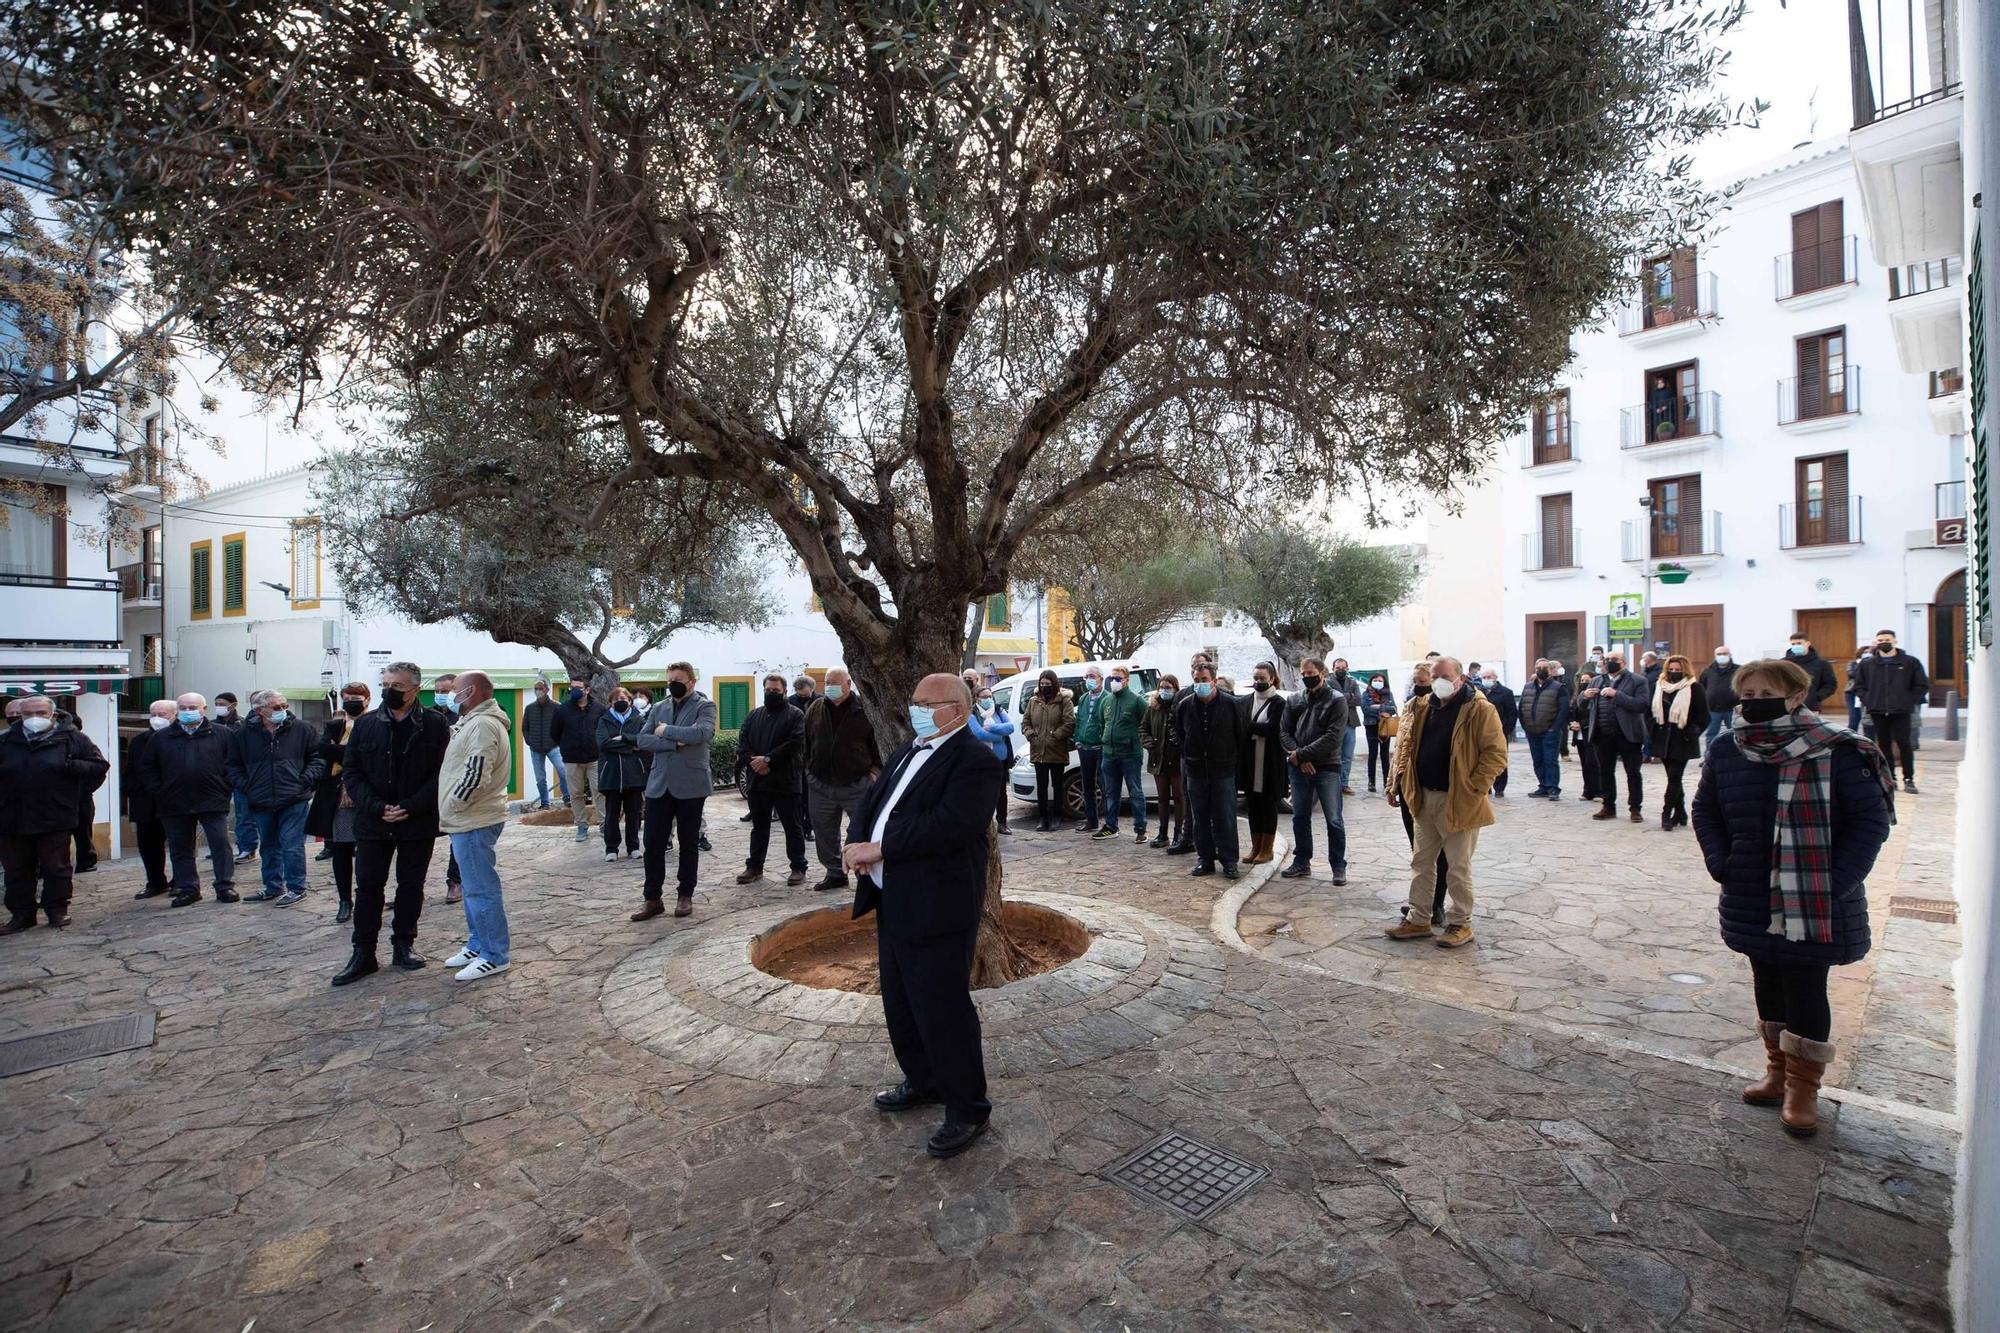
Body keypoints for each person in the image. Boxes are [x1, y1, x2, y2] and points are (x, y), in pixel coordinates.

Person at [1692, 657, 1894, 1136]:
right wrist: (1722, 862)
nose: (1756, 703)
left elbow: (1870, 823)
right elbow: (1706, 810)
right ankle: (1778, 1071)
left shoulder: (1839, 749)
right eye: (1750, 695)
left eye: (1768, 695)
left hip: (1813, 895)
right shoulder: (1728, 748)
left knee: (1805, 983)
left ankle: (1804, 1086)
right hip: (1750, 888)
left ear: (1797, 695)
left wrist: (1835, 882)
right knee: (1766, 976)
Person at [843, 672, 1008, 1159]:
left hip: (938, 903)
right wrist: (858, 838)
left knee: (943, 1008)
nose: (914, 708)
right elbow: (872, 801)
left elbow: (951, 826)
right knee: (901, 1000)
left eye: (924, 702)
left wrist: (881, 846)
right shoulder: (908, 748)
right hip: (893, 899)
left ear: (956, 709)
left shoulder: (974, 759)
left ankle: (968, 1108)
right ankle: (924, 1080)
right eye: (912, 700)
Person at [334, 661, 450, 986]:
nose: (389, 691)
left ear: (414, 689)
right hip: (373, 821)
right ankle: (363, 953)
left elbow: (441, 773)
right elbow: (352, 770)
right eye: (385, 685)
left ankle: (404, 945)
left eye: (396, 687)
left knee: (411, 886)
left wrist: (410, 806)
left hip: (417, 820)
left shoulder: (435, 724)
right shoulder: (368, 724)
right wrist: (376, 806)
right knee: (368, 888)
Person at [1383, 657, 1508, 948]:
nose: (1437, 680)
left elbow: (1495, 754)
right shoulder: (1421, 706)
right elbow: (1404, 748)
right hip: (1424, 797)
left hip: (1459, 801)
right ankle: (1419, 918)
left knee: (1457, 867)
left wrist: (1473, 788)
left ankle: (1459, 923)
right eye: (1434, 675)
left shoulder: (1479, 709)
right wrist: (1396, 782)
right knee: (1421, 862)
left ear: (1460, 678)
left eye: (1444, 675)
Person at [0, 695, 108, 933]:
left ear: (53, 714)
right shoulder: (7, 741)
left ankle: (57, 909)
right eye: (28, 714)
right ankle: (21, 914)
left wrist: (74, 784)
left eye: (40, 713)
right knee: (17, 868)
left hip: (54, 815)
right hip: (12, 817)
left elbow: (99, 767)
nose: (33, 718)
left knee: (56, 866)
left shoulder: (72, 739)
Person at [438, 671, 514, 982]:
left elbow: (475, 774)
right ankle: (477, 944)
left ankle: (494, 954)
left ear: (470, 691)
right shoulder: (473, 722)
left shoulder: (482, 724)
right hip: (467, 819)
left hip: (473, 818)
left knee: (481, 890)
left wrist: (454, 804)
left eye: (453, 690)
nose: (448, 696)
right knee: (472, 889)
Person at [632, 662, 716, 919]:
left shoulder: (705, 706)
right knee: (652, 843)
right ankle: (652, 898)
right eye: (669, 680)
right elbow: (642, 739)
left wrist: (666, 731)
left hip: (691, 784)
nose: (672, 684)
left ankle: (685, 895)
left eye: (677, 679)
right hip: (660, 785)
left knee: (689, 843)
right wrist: (676, 742)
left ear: (691, 681)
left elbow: (702, 733)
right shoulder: (659, 707)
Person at [227, 688, 325, 907]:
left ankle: (296, 888)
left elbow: (317, 759)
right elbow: (233, 765)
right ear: (260, 710)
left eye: (284, 706)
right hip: (260, 799)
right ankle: (273, 886)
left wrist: (304, 781)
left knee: (292, 845)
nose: (282, 710)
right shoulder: (243, 734)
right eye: (276, 707)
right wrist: (248, 787)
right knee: (268, 845)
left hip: (294, 798)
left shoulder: (302, 729)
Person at [141, 693, 241, 909]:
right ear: (177, 711)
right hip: (173, 803)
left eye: (193, 707)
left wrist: (225, 788)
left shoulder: (222, 734)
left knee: (220, 844)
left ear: (204, 709)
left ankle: (224, 886)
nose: (188, 711)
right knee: (180, 848)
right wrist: (160, 791)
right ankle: (188, 889)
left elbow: (233, 765)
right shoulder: (161, 738)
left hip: (212, 800)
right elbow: (148, 769)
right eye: (184, 708)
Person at [802, 666, 880, 891]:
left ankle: (865, 874)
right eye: (827, 683)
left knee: (863, 830)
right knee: (824, 832)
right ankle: (835, 873)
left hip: (857, 785)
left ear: (848, 684)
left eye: (835, 683)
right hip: (820, 784)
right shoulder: (815, 707)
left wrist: (874, 773)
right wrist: (808, 769)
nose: (831, 688)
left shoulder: (864, 709)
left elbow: (876, 744)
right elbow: (806, 741)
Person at [1278, 657, 1349, 884]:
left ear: (1323, 672)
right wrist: (1298, 757)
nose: (1307, 677)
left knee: (1334, 819)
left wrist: (1302, 754)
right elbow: (1284, 732)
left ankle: (1338, 866)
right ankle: (1301, 862)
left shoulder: (1337, 700)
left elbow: (1333, 737)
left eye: (1311, 673)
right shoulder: (1295, 699)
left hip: (1327, 767)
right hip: (1299, 767)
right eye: (1304, 674)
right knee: (1300, 816)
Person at [306, 682, 369, 925]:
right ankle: (345, 900)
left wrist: (341, 750)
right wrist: (350, 751)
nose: (351, 700)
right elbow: (322, 749)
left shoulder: (376, 722)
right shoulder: (335, 724)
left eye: (356, 696)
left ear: (366, 698)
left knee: (367, 851)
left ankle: (365, 896)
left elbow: (370, 753)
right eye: (347, 696)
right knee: (340, 849)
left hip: (365, 793)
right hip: (336, 794)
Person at [1173, 664, 1244, 879]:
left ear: (1213, 680)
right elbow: (1178, 732)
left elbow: (1240, 736)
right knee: (1199, 818)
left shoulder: (1231, 704)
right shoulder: (1185, 705)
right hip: (1195, 770)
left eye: (1204, 679)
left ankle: (1229, 861)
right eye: (1197, 679)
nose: (1200, 683)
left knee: (1225, 817)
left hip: (1222, 770)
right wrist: (1189, 753)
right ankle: (1205, 859)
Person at [738, 673, 809, 886]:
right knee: (759, 827)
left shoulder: (795, 715)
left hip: (785, 781)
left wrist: (769, 760)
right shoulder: (754, 715)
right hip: (758, 781)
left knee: (792, 826)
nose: (771, 694)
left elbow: (795, 743)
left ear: (784, 692)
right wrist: (755, 762)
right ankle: (755, 867)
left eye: (775, 691)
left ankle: (798, 867)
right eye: (768, 690)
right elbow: (743, 742)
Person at [1852, 629, 1928, 795]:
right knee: (1883, 744)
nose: (1883, 642)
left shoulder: (1910, 662)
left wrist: (1908, 701)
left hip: (1901, 711)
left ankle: (1908, 778)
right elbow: (1859, 686)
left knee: (1904, 743)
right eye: (1880, 640)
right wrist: (1869, 700)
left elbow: (1921, 685)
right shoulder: (1867, 664)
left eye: (1887, 639)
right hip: (1878, 710)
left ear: (1895, 641)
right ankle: (1889, 777)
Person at [1582, 650, 1649, 823]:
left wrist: (1617, 695)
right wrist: (1584, 695)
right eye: (1608, 659)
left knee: (1633, 772)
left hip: (1628, 734)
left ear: (1623, 663)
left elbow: (1641, 705)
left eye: (1615, 660)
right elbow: (1581, 705)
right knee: (1605, 772)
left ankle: (1635, 808)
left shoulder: (1638, 680)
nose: (1610, 662)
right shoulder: (1597, 679)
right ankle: (1608, 806)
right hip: (1603, 734)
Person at [125, 699, 178, 901]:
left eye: (162, 714)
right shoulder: (140, 741)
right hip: (145, 801)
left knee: (179, 844)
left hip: (174, 801)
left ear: (174, 715)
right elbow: (131, 770)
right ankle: (155, 882)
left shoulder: (180, 738)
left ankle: (181, 881)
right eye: (153, 714)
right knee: (148, 845)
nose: (156, 718)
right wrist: (132, 792)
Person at [1650, 654, 1709, 830]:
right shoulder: (1660, 687)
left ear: (1685, 670)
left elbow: (1704, 715)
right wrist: (1650, 730)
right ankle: (1681, 812)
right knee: (1673, 778)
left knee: (1675, 777)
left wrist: (1692, 732)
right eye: (1671, 669)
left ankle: (1666, 813)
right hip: (1662, 738)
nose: (1674, 672)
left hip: (1682, 738)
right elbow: (1651, 710)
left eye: (1678, 670)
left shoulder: (1694, 687)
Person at [1234, 664, 1284, 865]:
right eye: (1255, 677)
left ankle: (1267, 848)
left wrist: (1249, 728)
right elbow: (1239, 726)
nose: (1258, 681)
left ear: (1272, 679)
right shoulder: (1245, 700)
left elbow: (1272, 728)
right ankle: (1255, 846)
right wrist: (1253, 729)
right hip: (1249, 761)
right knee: (1252, 805)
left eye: (1262, 678)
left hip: (1270, 762)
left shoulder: (1278, 702)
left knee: (1268, 805)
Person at [1092, 665, 1147, 842]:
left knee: (1135, 792)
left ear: (1126, 680)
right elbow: (1102, 722)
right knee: (1110, 792)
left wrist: (1136, 740)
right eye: (1112, 678)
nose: (1114, 681)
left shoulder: (1136, 701)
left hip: (1130, 754)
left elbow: (1146, 724)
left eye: (1118, 678)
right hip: (1109, 753)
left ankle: (1140, 829)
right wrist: (1104, 738)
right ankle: (1110, 826)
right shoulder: (1106, 701)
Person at [548, 678, 605, 844]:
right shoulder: (562, 710)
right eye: (572, 687)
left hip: (594, 758)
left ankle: (604, 824)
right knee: (575, 794)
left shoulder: (599, 709)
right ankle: (581, 825)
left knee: (599, 791)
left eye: (578, 687)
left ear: (587, 690)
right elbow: (554, 733)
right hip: (572, 759)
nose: (574, 690)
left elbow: (603, 731)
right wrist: (567, 746)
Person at [595, 686, 648, 862]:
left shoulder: (638, 719)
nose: (621, 701)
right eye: (617, 699)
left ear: (630, 701)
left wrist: (622, 738)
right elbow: (604, 744)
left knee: (634, 812)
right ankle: (611, 848)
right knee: (612, 813)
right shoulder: (604, 720)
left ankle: (633, 846)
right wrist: (630, 746)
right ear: (610, 702)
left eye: (624, 699)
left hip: (634, 773)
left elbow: (642, 741)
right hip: (612, 774)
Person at [1020, 670, 1075, 834]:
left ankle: (1057, 816)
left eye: (1048, 684)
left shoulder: (1064, 700)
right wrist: (1031, 735)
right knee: (1041, 786)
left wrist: (1055, 736)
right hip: (1038, 751)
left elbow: (1069, 723)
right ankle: (1043, 817)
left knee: (1057, 785)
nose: (1044, 687)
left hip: (1056, 750)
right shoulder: (1033, 701)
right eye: (1042, 684)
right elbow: (1026, 722)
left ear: (1054, 684)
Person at [430, 673, 465, 903]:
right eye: (439, 691)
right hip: (431, 783)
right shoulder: (427, 715)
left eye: (447, 691)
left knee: (457, 837)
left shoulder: (464, 715)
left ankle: (455, 882)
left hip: (455, 783)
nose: (442, 695)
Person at [967, 683, 1019, 834]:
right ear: (976, 698)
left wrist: (991, 728)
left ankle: (1002, 822)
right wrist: (1000, 735)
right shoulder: (971, 714)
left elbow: (1009, 727)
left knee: (1001, 792)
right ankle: (983, 822)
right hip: (981, 758)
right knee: (983, 791)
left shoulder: (998, 710)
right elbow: (978, 734)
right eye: (984, 697)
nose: (988, 699)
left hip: (1000, 758)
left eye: (990, 696)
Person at [1141, 674, 1185, 850]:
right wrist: (1149, 743)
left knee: (1179, 798)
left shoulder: (1180, 706)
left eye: (1168, 688)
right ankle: (1162, 832)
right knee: (1162, 798)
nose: (1165, 691)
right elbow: (1143, 728)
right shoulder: (1154, 707)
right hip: (1158, 758)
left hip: (1176, 759)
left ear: (1175, 688)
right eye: (1162, 687)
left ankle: (1178, 833)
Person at [1519, 660, 1569, 801]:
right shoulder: (1528, 686)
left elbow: (1563, 709)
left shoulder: (1559, 687)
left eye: (1544, 667)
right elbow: (1522, 706)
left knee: (1550, 760)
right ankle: (1543, 786)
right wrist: (1525, 726)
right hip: (1532, 731)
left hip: (1550, 731)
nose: (1541, 670)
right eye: (1538, 668)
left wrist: (1554, 728)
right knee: (1538, 760)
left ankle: (1553, 788)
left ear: (1550, 670)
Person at [522, 679, 569, 810]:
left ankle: (567, 797)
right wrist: (529, 741)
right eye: (536, 688)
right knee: (540, 778)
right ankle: (545, 803)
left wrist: (559, 741)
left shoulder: (557, 706)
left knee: (563, 771)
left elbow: (563, 727)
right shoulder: (530, 708)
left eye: (540, 688)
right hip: (536, 748)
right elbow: (525, 727)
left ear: (547, 690)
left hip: (553, 747)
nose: (538, 691)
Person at [1071, 666, 1107, 833]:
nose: (1088, 679)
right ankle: (1091, 820)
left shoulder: (1108, 697)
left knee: (1106, 785)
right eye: (1086, 676)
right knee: (1087, 786)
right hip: (1084, 748)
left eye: (1091, 676)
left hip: (1101, 748)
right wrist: (1077, 739)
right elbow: (1079, 721)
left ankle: (1108, 822)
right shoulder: (1084, 698)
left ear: (1100, 678)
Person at [1360, 673, 1399, 795]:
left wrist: (1378, 706)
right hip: (1371, 726)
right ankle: (1371, 781)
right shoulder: (1366, 694)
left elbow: (1393, 708)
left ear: (1384, 682)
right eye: (1375, 680)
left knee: (1384, 755)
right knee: (1372, 754)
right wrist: (1383, 711)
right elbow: (1366, 709)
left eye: (1380, 680)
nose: (1377, 682)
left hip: (1385, 727)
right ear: (1371, 682)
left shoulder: (1388, 694)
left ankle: (1386, 781)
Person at [1481, 668, 1517, 796]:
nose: (1486, 680)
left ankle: (1500, 786)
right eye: (1484, 677)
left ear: (1495, 677)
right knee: (1482, 759)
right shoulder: (1479, 692)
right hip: (1482, 732)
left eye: (1488, 677)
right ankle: (1486, 785)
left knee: (1499, 758)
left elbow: (1512, 713)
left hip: (1499, 732)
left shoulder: (1505, 693)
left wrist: (1506, 731)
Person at [1785, 631, 1841, 714]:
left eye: (1799, 643)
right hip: (1786, 707)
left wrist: (1816, 697)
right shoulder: (1784, 663)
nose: (1796, 646)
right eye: (1793, 644)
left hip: (1810, 708)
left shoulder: (1821, 663)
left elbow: (1830, 684)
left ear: (1808, 643)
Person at [1330, 658, 1363, 795]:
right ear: (1333, 669)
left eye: (1343, 668)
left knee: (1347, 756)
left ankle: (1344, 784)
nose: (1341, 670)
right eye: (1338, 668)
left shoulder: (1353, 682)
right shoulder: (1327, 682)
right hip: (1335, 724)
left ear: (1347, 668)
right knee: (1334, 755)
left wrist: (1341, 698)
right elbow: (1331, 699)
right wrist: (1349, 696)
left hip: (1350, 723)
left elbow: (1359, 700)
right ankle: (1334, 784)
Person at [1568, 668, 1601, 802]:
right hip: (1579, 735)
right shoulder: (1577, 696)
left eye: (1587, 680)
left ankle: (1598, 790)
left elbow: (1594, 714)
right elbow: (1572, 712)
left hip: (1590, 733)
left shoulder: (1595, 697)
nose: (1583, 683)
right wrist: (1572, 723)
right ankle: (1587, 790)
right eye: (1582, 680)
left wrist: (1582, 724)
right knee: (1584, 764)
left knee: (1592, 763)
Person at [1699, 647, 1739, 747]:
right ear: (1715, 656)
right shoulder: (1707, 671)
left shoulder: (1739, 670)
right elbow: (1702, 687)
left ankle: (1737, 756)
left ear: (1730, 655)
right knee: (1711, 734)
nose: (1722, 656)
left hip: (1733, 709)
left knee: (1736, 734)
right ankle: (1709, 757)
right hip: (1713, 710)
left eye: (1725, 653)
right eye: (1719, 654)